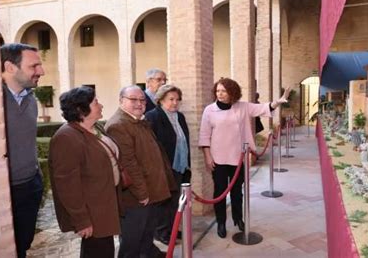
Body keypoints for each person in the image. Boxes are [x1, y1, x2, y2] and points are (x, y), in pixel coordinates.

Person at [198, 78, 291, 238]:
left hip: (237, 157)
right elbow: (204, 135)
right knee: (219, 191)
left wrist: (278, 101)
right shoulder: (209, 110)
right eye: (218, 91)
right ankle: (221, 222)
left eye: (224, 91)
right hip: (218, 158)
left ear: (232, 92)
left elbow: (262, 108)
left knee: (237, 192)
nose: (219, 94)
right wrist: (207, 156)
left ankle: (238, 219)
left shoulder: (242, 107)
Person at [48, 86, 120, 257]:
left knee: (105, 250)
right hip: (92, 211)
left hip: (104, 206)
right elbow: (67, 185)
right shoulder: (66, 137)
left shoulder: (95, 128)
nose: (101, 105)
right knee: (97, 252)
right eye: (96, 102)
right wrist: (81, 221)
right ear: (81, 109)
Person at [105, 85, 176, 258]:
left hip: (150, 192)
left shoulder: (138, 120)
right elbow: (128, 163)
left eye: (142, 100)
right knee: (131, 243)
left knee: (145, 236)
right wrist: (142, 194)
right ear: (121, 100)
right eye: (133, 99)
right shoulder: (118, 125)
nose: (139, 103)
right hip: (136, 197)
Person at [1, 43, 45, 258]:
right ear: (10, 67)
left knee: (23, 245)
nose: (41, 71)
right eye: (34, 66)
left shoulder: (31, 99)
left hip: (30, 186)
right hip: (2, 193)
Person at [146, 84, 191, 244]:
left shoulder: (180, 117)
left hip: (179, 166)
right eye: (171, 99)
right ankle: (161, 232)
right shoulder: (153, 116)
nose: (174, 103)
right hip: (163, 168)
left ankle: (171, 229)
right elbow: (151, 145)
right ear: (161, 100)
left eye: (177, 100)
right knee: (163, 203)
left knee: (175, 201)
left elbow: (184, 142)